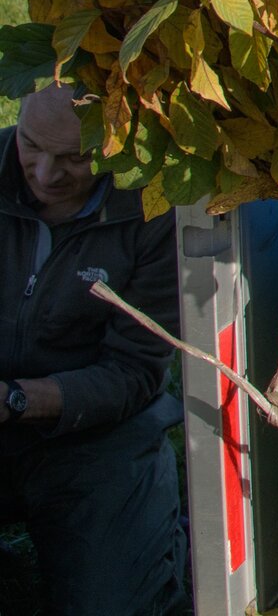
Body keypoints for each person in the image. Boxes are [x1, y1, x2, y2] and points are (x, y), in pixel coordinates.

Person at [0, 84, 185, 616]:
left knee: (110, 603)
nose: (44, 175)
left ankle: (148, 542)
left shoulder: (155, 209)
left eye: (74, 158)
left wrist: (18, 399)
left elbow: (134, 371)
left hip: (95, 439)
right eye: (30, 145)